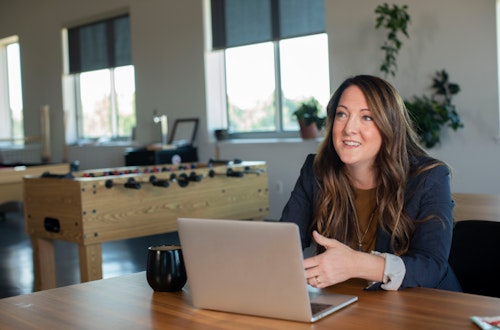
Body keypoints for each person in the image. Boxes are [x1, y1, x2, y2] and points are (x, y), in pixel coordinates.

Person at [280, 75, 462, 292]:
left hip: (422, 306)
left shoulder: (429, 177)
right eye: (342, 114)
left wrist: (356, 265)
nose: (349, 128)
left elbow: (432, 267)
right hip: (347, 304)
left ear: (390, 126)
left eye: (367, 117)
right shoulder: (316, 170)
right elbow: (284, 243)